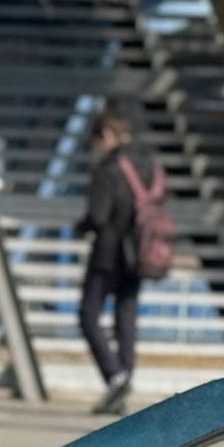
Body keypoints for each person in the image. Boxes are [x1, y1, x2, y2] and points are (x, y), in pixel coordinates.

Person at [77, 104, 162, 414]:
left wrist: (81, 226)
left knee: (88, 314)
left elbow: (98, 216)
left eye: (96, 141)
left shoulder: (109, 168)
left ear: (107, 135)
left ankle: (115, 376)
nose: (95, 148)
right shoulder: (151, 165)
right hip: (140, 254)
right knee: (126, 320)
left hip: (108, 255)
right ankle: (124, 378)